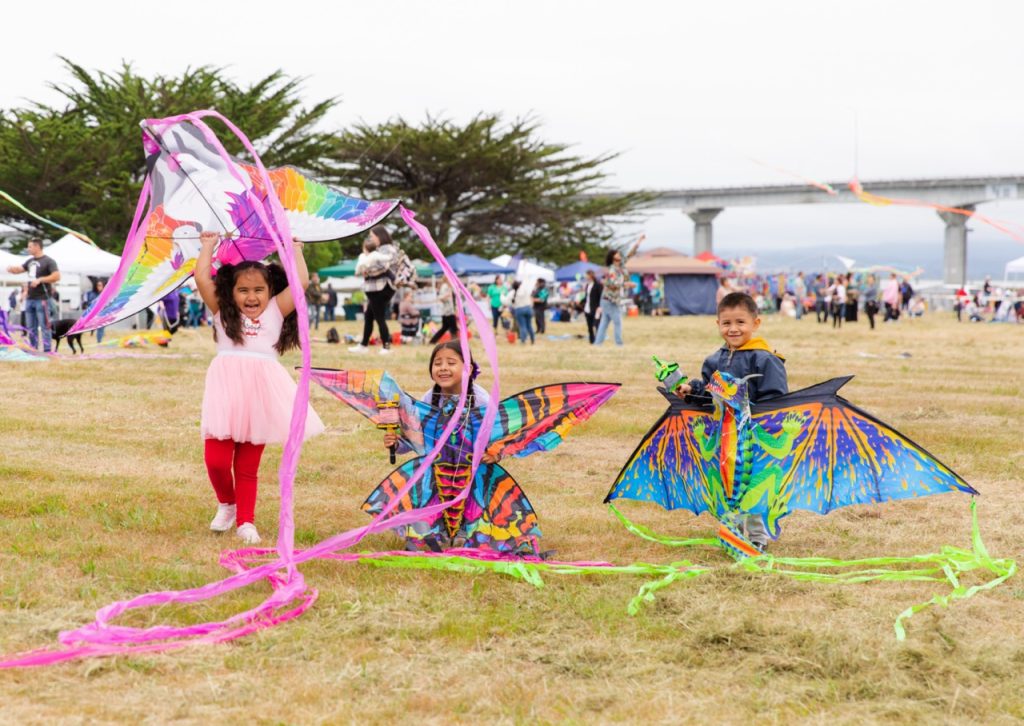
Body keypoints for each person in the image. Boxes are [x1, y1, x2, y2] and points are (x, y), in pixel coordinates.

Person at [194, 231, 325, 544]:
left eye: (258, 290)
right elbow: (201, 278)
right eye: (243, 290)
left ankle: (246, 521)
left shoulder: (275, 311)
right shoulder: (222, 312)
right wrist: (208, 246)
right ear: (231, 291)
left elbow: (301, 283)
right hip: (226, 392)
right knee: (216, 459)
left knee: (248, 465)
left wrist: (294, 251)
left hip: (261, 392)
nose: (251, 297)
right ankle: (227, 503)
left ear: (270, 291)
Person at [674, 291, 788, 552]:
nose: (733, 329)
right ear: (718, 325)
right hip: (725, 439)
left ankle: (758, 535)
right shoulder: (714, 360)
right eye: (726, 323)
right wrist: (691, 390)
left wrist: (755, 416)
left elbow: (776, 400)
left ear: (755, 324)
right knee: (728, 484)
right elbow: (708, 393)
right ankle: (733, 530)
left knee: (753, 484)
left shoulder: (765, 359)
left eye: (740, 322)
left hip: (754, 438)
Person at [350, 226, 400, 354]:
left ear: (379, 236)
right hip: (375, 287)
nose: (370, 239)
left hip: (381, 287)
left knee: (379, 316)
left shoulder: (387, 249)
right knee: (369, 316)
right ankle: (364, 345)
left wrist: (366, 269)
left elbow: (383, 266)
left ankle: (386, 346)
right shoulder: (380, 250)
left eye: (372, 236)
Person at [6, 238, 60, 352]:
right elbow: (20, 269)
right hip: (30, 299)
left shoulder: (49, 261)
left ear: (37, 247)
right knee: (31, 327)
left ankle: (47, 350)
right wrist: (12, 269)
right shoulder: (30, 261)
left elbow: (57, 276)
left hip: (43, 299)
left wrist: (41, 279)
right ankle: (33, 349)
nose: (28, 249)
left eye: (30, 246)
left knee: (45, 326)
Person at [594, 234, 644, 346]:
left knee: (604, 323)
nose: (619, 255)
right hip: (610, 299)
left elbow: (630, 254)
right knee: (617, 322)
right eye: (617, 254)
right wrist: (627, 284)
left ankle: (597, 344)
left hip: (608, 299)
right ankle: (619, 344)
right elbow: (613, 283)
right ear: (613, 257)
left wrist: (638, 242)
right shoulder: (612, 270)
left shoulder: (620, 266)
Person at [507, 279, 535, 344]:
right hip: (528, 308)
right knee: (529, 325)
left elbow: (509, 302)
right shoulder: (524, 290)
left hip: (519, 310)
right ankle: (532, 339)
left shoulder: (512, 293)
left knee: (522, 326)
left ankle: (523, 340)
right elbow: (530, 296)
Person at [582, 269, 603, 344]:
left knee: (597, 325)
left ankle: (599, 340)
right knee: (589, 326)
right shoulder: (587, 285)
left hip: (596, 308)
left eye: (586, 275)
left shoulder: (598, 285)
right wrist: (581, 301)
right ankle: (591, 340)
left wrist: (600, 307)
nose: (585, 277)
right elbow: (587, 297)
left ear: (591, 276)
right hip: (587, 308)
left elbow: (601, 296)